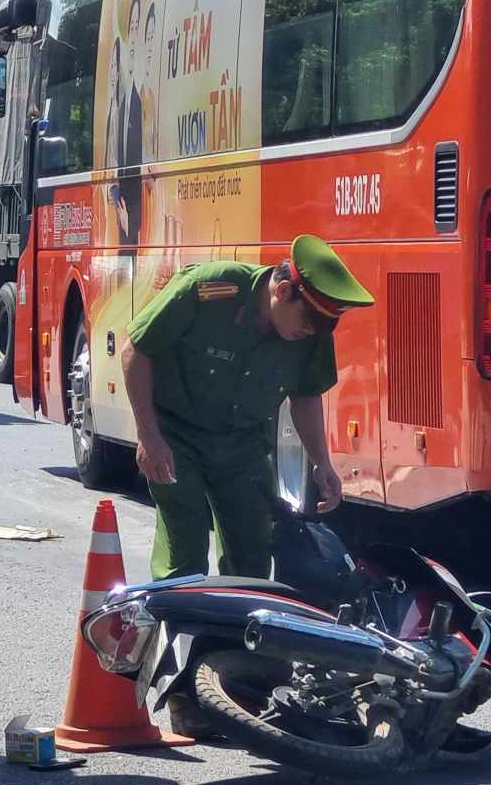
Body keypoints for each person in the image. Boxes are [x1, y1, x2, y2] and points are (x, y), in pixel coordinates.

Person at [120, 234, 373, 581]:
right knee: (186, 558)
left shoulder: (311, 333)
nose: (311, 333)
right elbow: (136, 351)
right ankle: (174, 631)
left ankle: (229, 637)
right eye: (308, 322)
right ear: (282, 291)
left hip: (244, 449)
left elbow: (306, 396)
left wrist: (321, 463)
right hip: (177, 440)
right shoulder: (209, 289)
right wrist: (148, 436)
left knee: (252, 562)